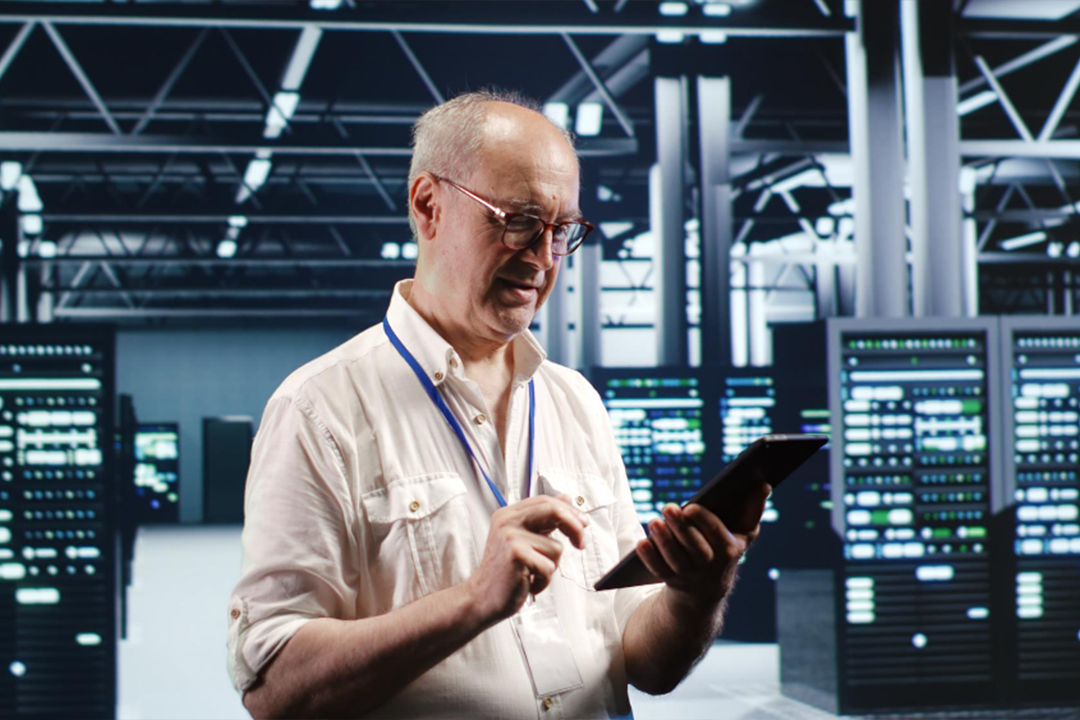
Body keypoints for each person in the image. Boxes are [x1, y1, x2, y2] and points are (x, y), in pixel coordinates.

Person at [227, 89, 769, 719]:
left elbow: (643, 662)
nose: (541, 258)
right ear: (429, 205)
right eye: (517, 219)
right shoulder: (320, 409)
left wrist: (696, 593)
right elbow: (274, 689)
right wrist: (473, 601)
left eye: (561, 229)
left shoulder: (575, 402)